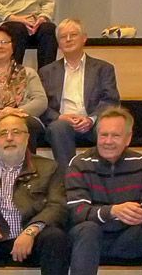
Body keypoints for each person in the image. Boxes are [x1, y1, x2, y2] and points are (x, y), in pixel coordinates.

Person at [0, 114, 69, 275]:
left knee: (56, 237)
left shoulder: (49, 168)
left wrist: (31, 231)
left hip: (32, 239)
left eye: (16, 132)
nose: (9, 138)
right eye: (3, 133)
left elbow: (58, 205)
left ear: (27, 137)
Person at [67, 107, 142, 275]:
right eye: (103, 135)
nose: (108, 141)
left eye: (115, 135)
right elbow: (76, 211)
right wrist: (112, 211)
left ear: (128, 138)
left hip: (127, 238)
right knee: (87, 229)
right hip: (90, 239)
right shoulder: (79, 163)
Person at [40, 18, 119, 176]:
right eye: (63, 37)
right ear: (58, 43)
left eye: (73, 35)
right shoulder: (46, 72)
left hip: (94, 121)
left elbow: (111, 100)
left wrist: (91, 119)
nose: (68, 39)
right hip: (63, 123)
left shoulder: (103, 68)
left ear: (84, 38)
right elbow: (42, 105)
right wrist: (60, 117)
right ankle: (70, 180)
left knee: (109, 128)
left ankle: (107, 179)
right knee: (57, 127)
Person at [0, 27, 47, 156]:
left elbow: (41, 101)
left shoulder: (29, 73)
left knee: (26, 124)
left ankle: (27, 172)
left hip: (25, 118)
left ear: (13, 47)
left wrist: (17, 113)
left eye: (4, 42)